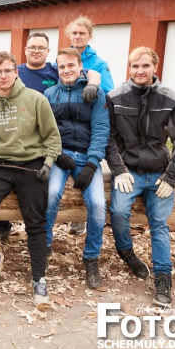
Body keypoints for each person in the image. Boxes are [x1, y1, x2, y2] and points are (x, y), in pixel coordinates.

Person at [105, 47, 175, 307]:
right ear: (129, 68)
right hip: (128, 171)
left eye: (145, 66)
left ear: (155, 66)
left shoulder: (171, 99)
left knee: (159, 224)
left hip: (158, 174)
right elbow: (108, 139)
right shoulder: (116, 97)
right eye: (134, 66)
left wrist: (170, 178)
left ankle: (163, 278)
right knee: (118, 212)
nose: (139, 71)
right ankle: (126, 252)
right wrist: (118, 169)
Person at [0, 51, 60, 309]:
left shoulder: (36, 99)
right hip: (2, 165)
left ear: (16, 72)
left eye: (7, 70)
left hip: (32, 165)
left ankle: (39, 279)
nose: (3, 75)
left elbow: (52, 138)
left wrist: (47, 163)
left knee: (35, 221)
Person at [43, 48, 109, 289]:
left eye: (71, 65)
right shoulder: (49, 94)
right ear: (57, 69)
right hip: (60, 156)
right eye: (62, 66)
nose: (66, 70)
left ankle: (91, 258)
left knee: (99, 206)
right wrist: (57, 153)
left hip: (86, 157)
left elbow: (101, 130)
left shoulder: (94, 92)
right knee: (50, 195)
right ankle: (45, 245)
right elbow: (45, 130)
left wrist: (92, 164)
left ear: (81, 66)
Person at [65, 16, 115, 236]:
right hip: (66, 124)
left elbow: (108, 91)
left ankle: (81, 219)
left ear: (89, 36)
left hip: (88, 123)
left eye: (81, 33)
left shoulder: (99, 63)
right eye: (74, 33)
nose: (77, 36)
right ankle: (73, 213)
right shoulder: (64, 57)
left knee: (87, 169)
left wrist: (93, 83)